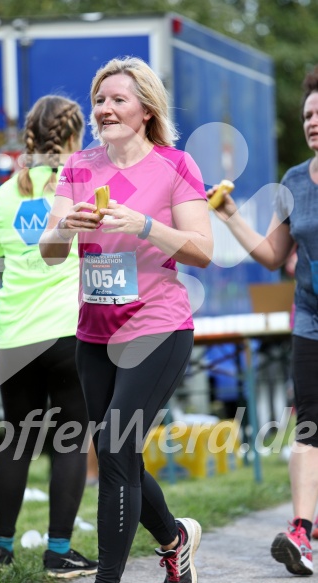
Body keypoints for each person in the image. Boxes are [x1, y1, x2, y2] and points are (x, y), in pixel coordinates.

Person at [39, 57, 213, 583]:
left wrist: (145, 225)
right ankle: (175, 539)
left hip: (159, 324)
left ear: (146, 108)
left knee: (115, 446)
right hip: (95, 331)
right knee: (120, 457)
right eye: (100, 100)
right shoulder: (78, 167)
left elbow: (203, 250)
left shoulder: (176, 165)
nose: (105, 109)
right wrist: (65, 227)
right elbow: (49, 252)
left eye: (118, 99)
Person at [207, 66, 318, 577]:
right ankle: (302, 530)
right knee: (309, 427)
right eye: (307, 115)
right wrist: (230, 215)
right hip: (311, 322)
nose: (312, 121)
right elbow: (274, 255)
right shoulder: (296, 179)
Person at [0, 95, 98, 578]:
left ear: (29, 136)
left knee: (16, 439)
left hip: (14, 333)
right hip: (67, 329)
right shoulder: (82, 186)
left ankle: (1, 548)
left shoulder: (5, 195)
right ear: (73, 138)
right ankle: (57, 552)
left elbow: (0, 266)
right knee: (70, 442)